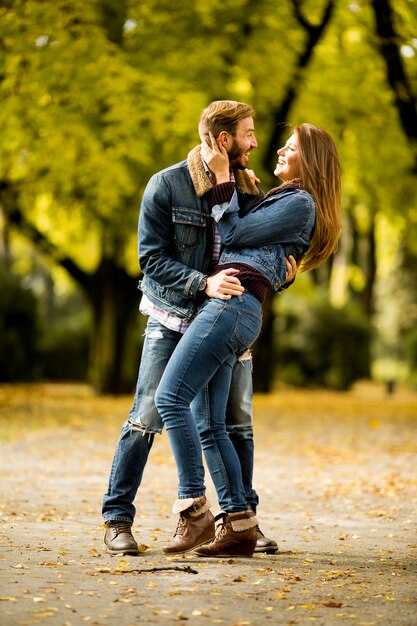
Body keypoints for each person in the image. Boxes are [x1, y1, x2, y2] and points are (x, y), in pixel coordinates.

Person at [102, 100, 297, 555]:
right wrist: (202, 283)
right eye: (248, 133)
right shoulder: (167, 185)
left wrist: (281, 277)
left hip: (224, 318)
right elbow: (150, 261)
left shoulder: (248, 189)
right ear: (224, 140)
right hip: (173, 314)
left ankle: (241, 519)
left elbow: (256, 256)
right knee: (147, 414)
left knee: (235, 422)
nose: (255, 142)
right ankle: (117, 518)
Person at [154, 123, 342, 557]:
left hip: (232, 307)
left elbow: (235, 235)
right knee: (209, 421)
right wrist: (243, 191)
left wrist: (223, 179)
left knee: (170, 400)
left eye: (290, 147)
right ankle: (239, 522)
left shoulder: (301, 202)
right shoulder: (283, 198)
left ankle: (195, 507)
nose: (277, 149)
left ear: (309, 160)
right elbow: (256, 242)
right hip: (233, 306)